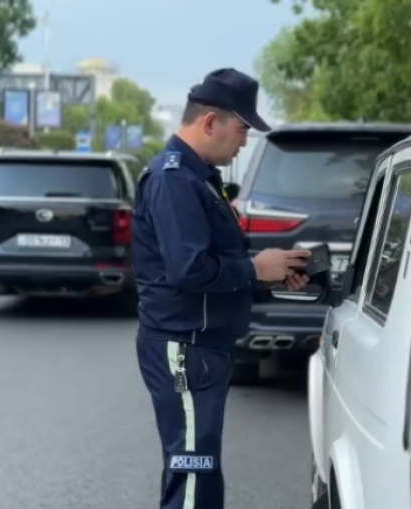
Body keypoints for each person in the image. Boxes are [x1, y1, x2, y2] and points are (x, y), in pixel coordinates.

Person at [131, 68, 311, 509]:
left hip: (199, 345)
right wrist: (254, 269)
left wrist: (270, 273)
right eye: (242, 129)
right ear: (210, 122)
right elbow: (189, 269)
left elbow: (212, 261)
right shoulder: (175, 180)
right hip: (184, 345)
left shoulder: (198, 177)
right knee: (193, 472)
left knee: (197, 468)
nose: (245, 141)